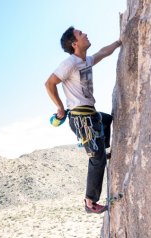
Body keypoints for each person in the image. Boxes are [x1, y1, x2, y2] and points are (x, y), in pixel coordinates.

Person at [45, 26, 122, 214]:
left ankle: (101, 151)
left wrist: (120, 41)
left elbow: (103, 53)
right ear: (74, 43)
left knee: (106, 119)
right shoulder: (69, 63)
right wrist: (60, 108)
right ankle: (90, 202)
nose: (85, 34)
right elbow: (49, 83)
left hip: (90, 114)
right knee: (97, 159)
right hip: (81, 117)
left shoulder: (85, 60)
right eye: (81, 34)